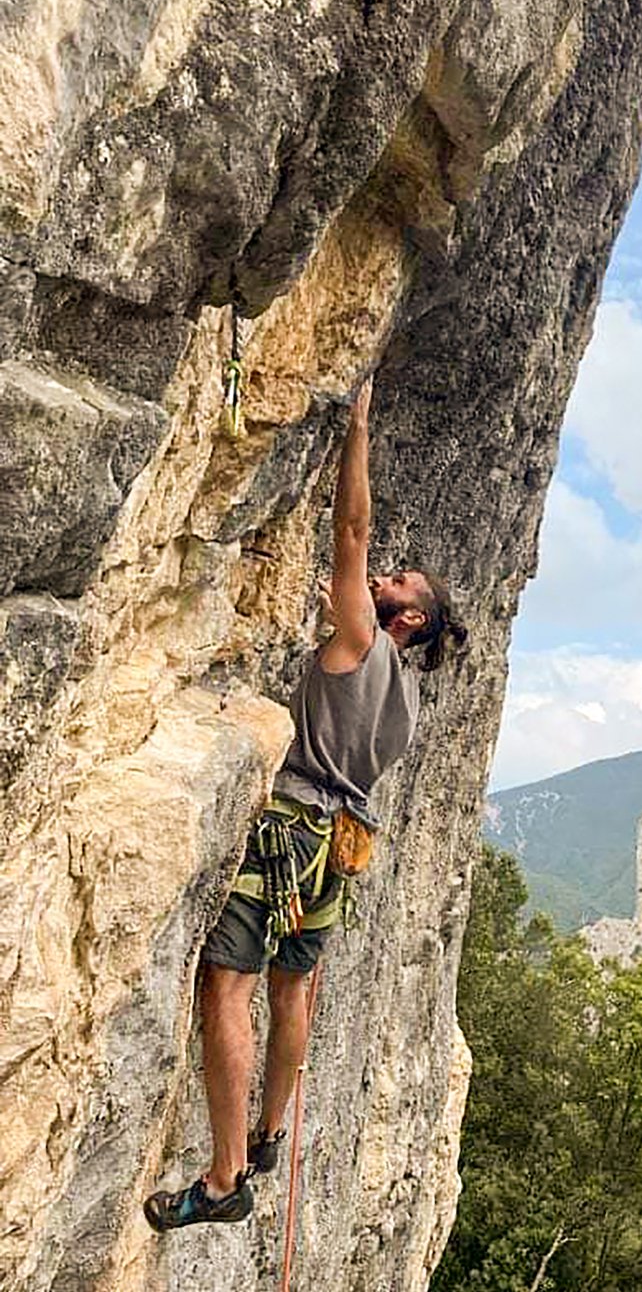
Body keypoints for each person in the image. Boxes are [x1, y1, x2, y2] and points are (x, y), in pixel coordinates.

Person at [144, 376, 467, 1231]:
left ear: (405, 622)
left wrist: (358, 429)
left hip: (290, 828)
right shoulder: (406, 703)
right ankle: (272, 1131)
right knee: (294, 990)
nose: (383, 577)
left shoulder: (363, 639)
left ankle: (223, 1179)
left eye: (399, 583)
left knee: (228, 986)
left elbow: (349, 531)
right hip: (342, 848)